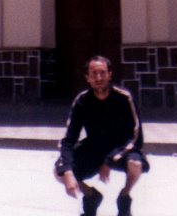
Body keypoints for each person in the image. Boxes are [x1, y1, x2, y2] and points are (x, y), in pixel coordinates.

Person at [55, 55, 149, 216]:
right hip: (94, 148)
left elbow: (135, 136)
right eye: (94, 74)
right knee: (59, 171)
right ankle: (91, 196)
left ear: (110, 74)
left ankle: (124, 197)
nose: (98, 78)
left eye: (102, 73)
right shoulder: (82, 101)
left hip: (121, 150)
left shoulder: (124, 97)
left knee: (136, 164)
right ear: (87, 77)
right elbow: (68, 140)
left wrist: (109, 160)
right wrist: (68, 172)